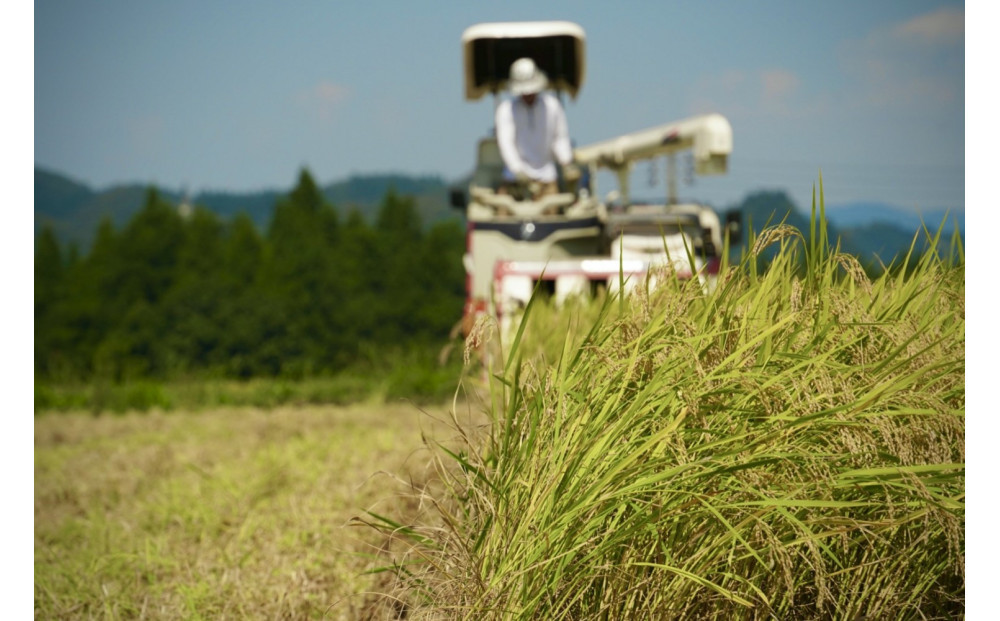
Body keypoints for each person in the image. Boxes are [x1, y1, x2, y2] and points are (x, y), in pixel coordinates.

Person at [495, 57, 580, 199]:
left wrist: (566, 162)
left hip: (547, 179)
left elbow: (560, 138)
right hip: (514, 181)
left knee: (552, 217)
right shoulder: (506, 110)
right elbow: (506, 143)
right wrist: (517, 170)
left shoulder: (552, 106)